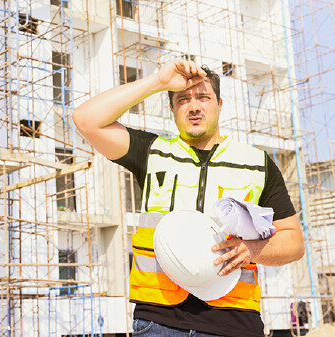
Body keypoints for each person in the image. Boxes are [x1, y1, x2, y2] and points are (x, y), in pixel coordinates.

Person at [72, 59, 305, 337]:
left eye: (203, 97)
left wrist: (252, 250)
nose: (194, 106)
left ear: (219, 104)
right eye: (183, 99)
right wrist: (158, 81)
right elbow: (86, 120)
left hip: (234, 320)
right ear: (172, 109)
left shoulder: (257, 164)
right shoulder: (153, 152)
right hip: (158, 321)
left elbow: (293, 241)